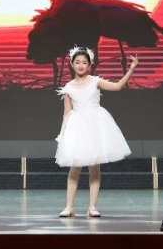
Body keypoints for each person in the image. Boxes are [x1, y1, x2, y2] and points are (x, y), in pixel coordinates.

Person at [56, 47, 136, 217]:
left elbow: (117, 87)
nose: (81, 65)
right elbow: (67, 114)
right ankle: (69, 207)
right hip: (78, 128)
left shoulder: (95, 81)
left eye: (84, 62)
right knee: (75, 168)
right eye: (77, 62)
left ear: (90, 65)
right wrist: (63, 135)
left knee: (94, 167)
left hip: (96, 126)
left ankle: (92, 207)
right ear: (72, 64)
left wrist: (131, 69)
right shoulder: (68, 87)